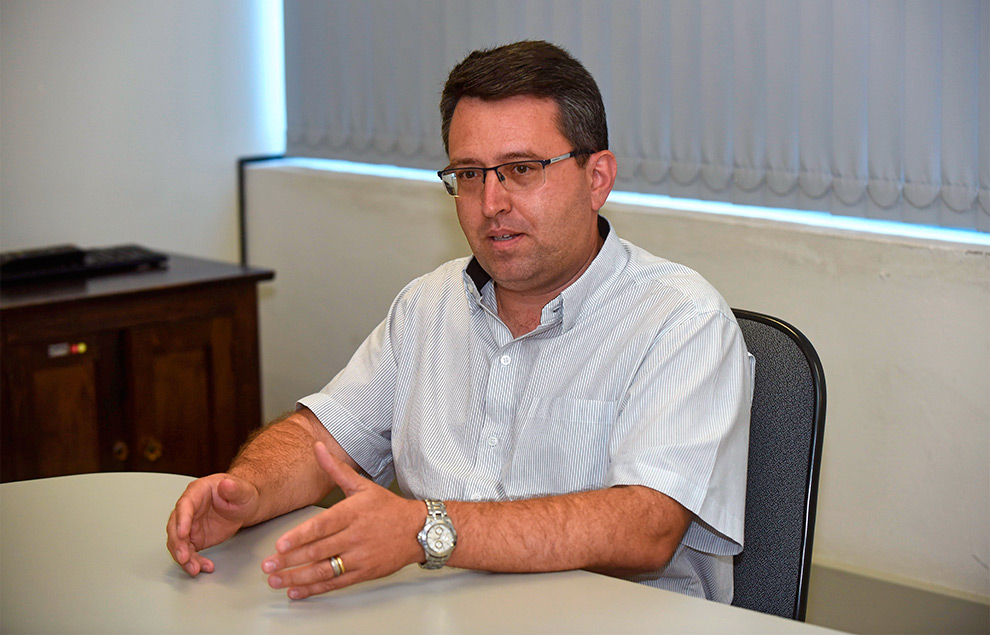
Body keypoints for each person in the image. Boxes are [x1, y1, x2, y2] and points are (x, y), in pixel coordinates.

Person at [166, 40, 752, 603]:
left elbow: (644, 529)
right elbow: (322, 437)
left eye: (521, 168)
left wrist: (426, 529)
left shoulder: (681, 319)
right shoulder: (429, 303)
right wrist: (246, 491)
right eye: (469, 174)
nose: (491, 201)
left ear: (597, 178)